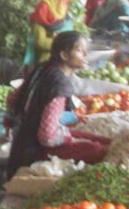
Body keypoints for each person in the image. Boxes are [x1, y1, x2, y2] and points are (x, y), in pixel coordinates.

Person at [6, 31, 107, 177]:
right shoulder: (59, 84)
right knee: (98, 150)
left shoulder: (42, 68)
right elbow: (47, 137)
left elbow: (12, 99)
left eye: (86, 50)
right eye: (79, 50)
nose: (85, 54)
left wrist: (9, 125)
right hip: (36, 152)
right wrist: (68, 138)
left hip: (21, 143)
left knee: (99, 139)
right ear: (64, 55)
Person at [26, 0, 76, 65]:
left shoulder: (64, 8)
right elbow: (40, 42)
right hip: (44, 62)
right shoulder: (43, 9)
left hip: (60, 60)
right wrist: (64, 45)